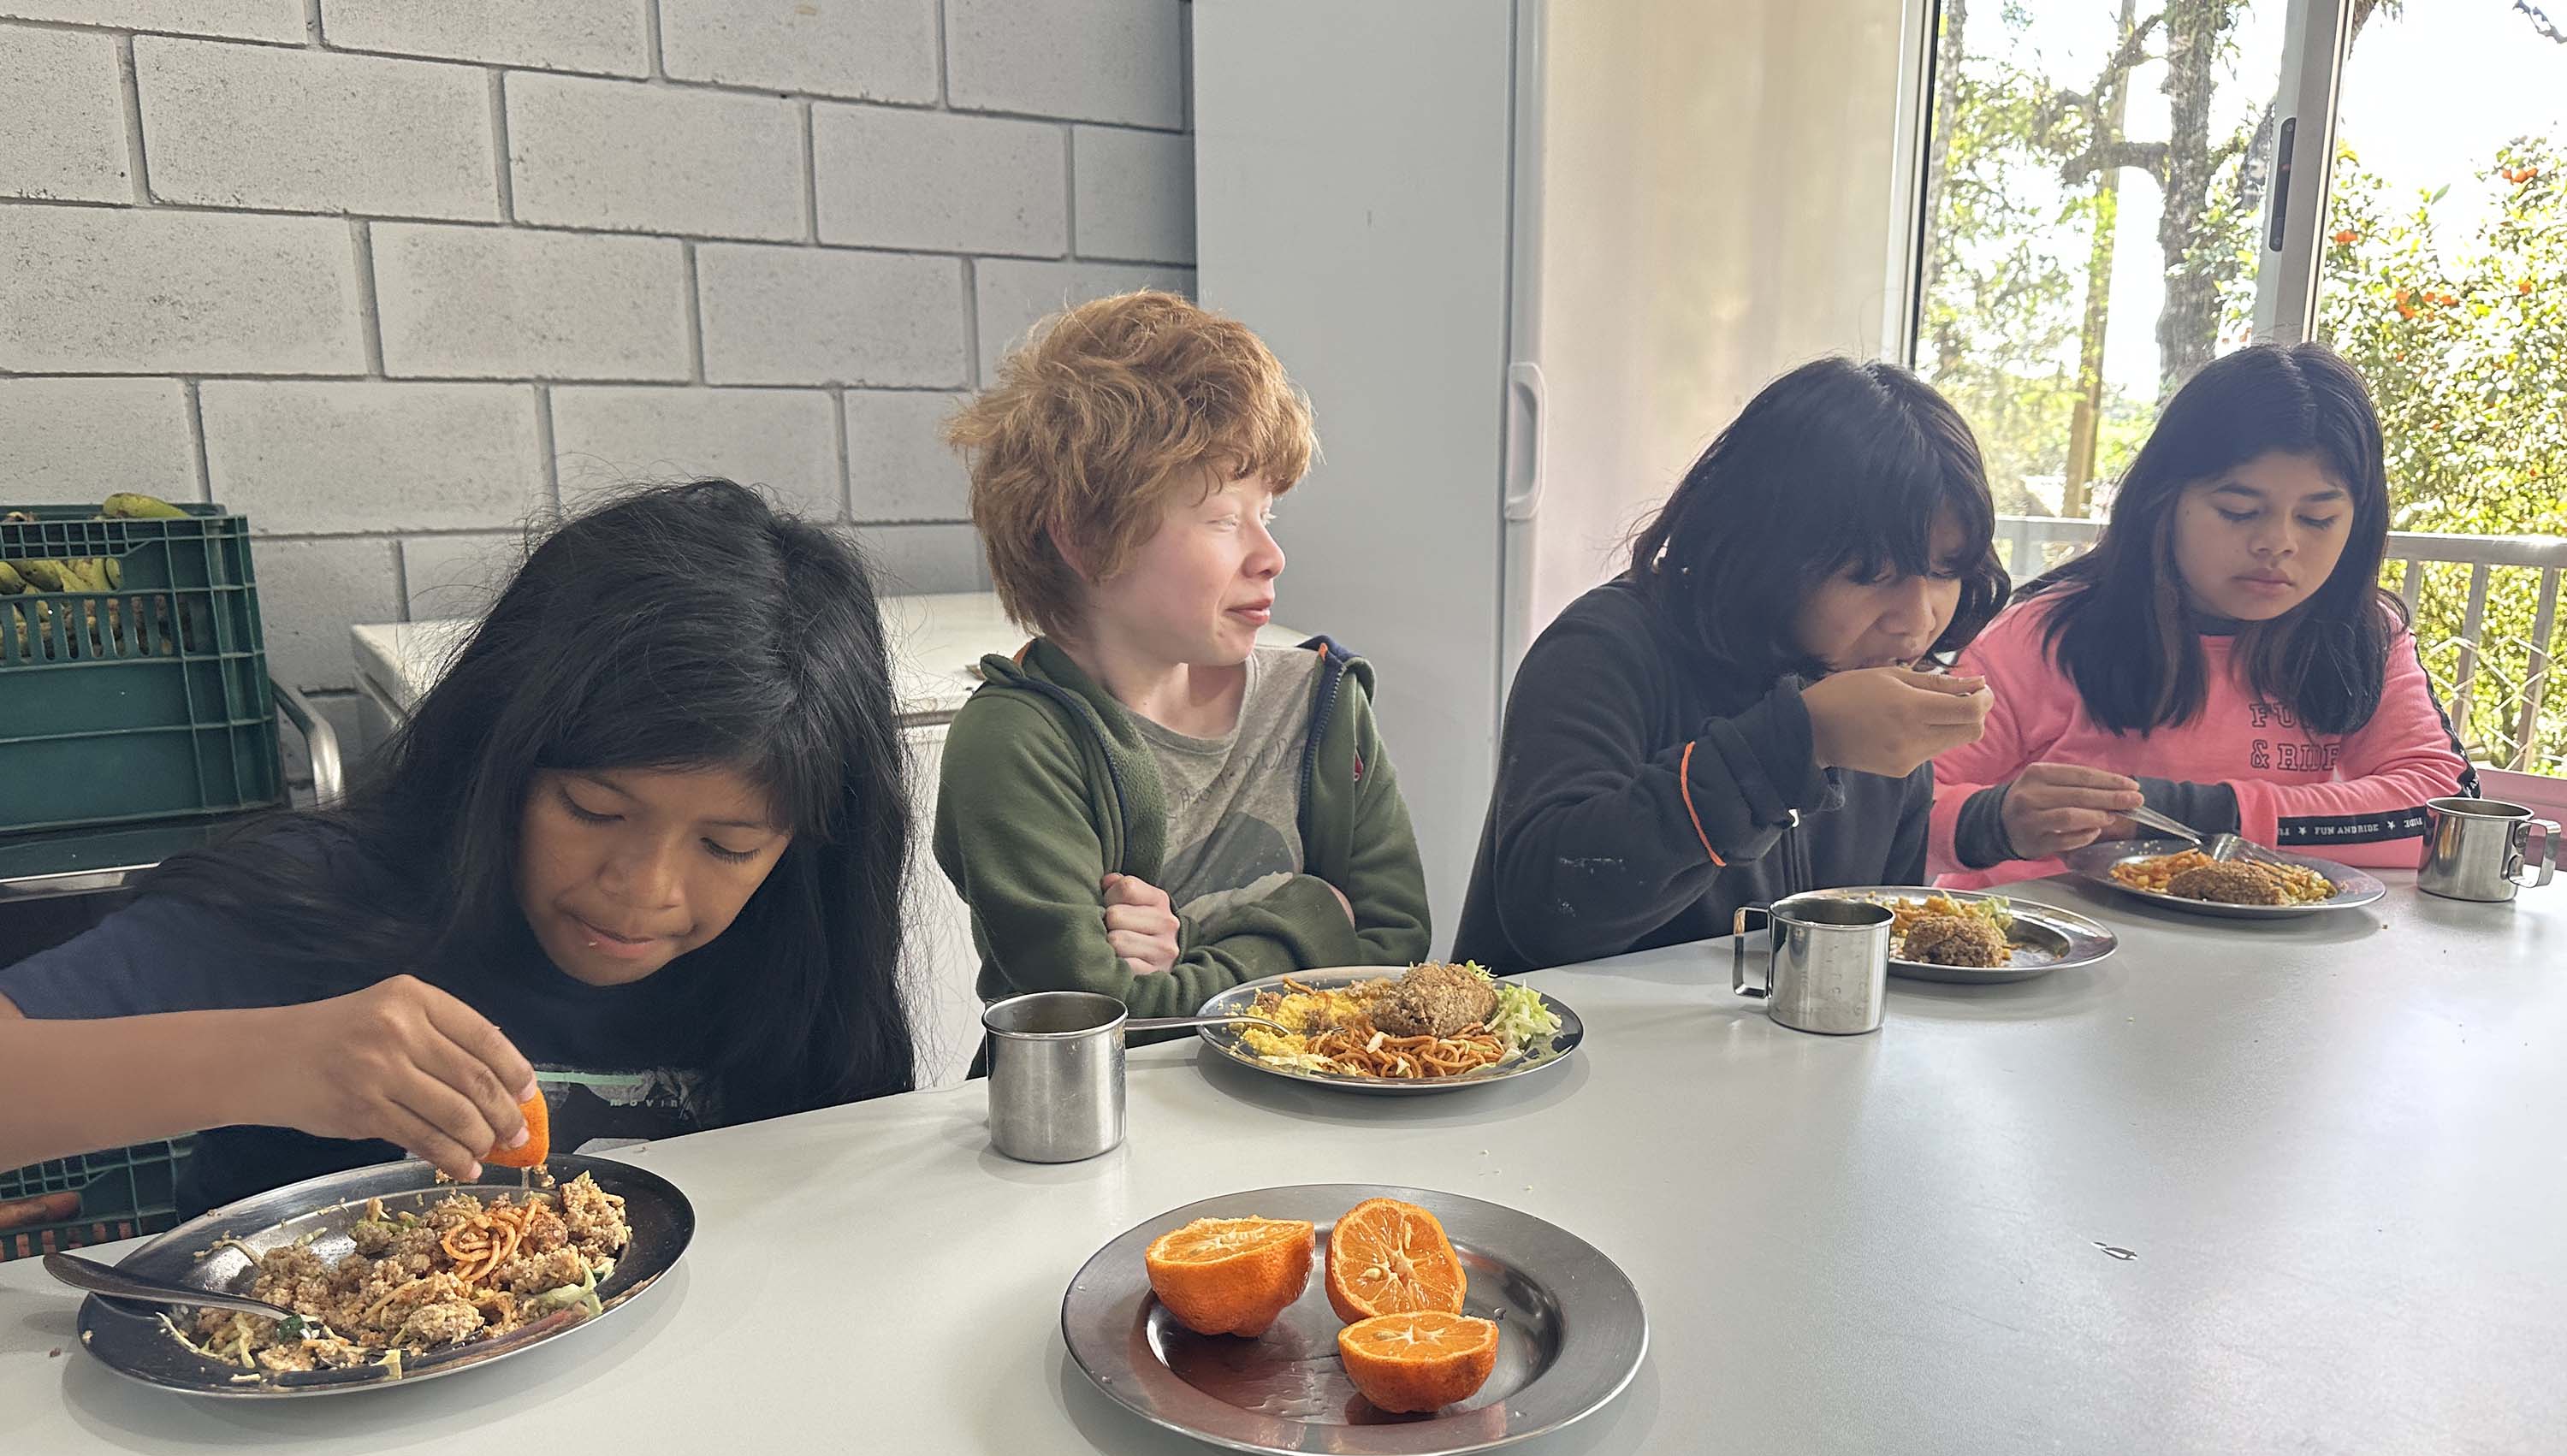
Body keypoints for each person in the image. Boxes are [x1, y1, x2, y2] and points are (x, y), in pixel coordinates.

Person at [0, 480, 916, 1211]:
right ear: (495, 754)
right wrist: (268, 1060)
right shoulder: (321, 900)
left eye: (728, 846)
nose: (644, 890)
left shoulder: (797, 956)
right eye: (593, 809)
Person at [934, 290, 1430, 1017]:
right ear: (1086, 539)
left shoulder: (1319, 702)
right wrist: (1315, 915)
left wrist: (1191, 946)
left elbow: (1397, 956)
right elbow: (1110, 1015)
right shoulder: (1016, 745)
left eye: (1267, 514)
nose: (1272, 556)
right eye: (1224, 518)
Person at [1450, 357, 2007, 974]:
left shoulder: (1889, 691)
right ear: (1770, 547)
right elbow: (1546, 912)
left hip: (1782, 1034)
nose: (1918, 618)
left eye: (1945, 571)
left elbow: (1883, 953)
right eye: (1871, 574)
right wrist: (1796, 745)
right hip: (1574, 1033)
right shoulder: (1608, 645)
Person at [1930, 342, 2475, 885]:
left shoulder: (2361, 635)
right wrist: (1993, 822)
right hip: (2048, 933)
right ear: (2163, 501)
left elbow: (2445, 809)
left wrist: (2197, 815)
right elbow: (1909, 798)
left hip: (2275, 937)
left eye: (2317, 519)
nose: (2277, 543)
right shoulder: (2046, 634)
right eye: (2238, 511)